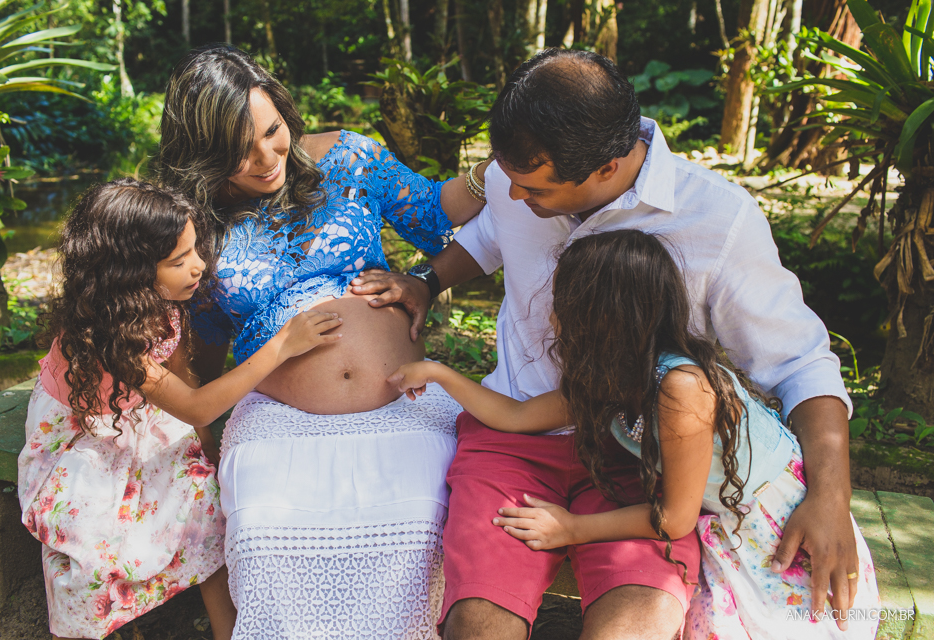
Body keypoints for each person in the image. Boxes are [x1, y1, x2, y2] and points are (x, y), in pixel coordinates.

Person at [352, 48, 861, 639]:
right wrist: (428, 280)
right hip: (512, 441)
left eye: (533, 188)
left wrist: (830, 496)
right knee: (479, 626)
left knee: (633, 629)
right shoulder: (518, 173)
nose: (513, 196)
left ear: (605, 168)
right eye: (507, 179)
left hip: (639, 460)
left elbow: (800, 362)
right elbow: (493, 231)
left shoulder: (718, 222)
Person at [388, 230, 880, 640]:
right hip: (722, 517)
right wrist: (439, 374)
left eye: (563, 301)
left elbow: (673, 519)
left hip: (765, 533)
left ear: (601, 318)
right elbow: (519, 417)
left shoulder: (680, 390)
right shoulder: (614, 371)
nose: (552, 313)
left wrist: (569, 529)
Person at [156, 45, 487, 639]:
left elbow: (438, 210)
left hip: (404, 405)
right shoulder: (196, 226)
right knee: (260, 532)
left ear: (285, 112)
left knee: (424, 520)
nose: (264, 159)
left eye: (272, 132)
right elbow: (199, 358)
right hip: (277, 418)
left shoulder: (352, 158)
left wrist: (486, 181)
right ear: (204, 157)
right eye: (238, 152)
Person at [17, 179, 343, 640]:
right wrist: (282, 345)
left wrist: (206, 449)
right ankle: (76, 630)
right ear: (129, 274)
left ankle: (230, 630)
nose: (198, 266)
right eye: (179, 260)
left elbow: (183, 376)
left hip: (140, 416)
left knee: (207, 503)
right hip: (81, 438)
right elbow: (194, 405)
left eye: (195, 251)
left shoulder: (160, 301)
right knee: (91, 547)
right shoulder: (109, 333)